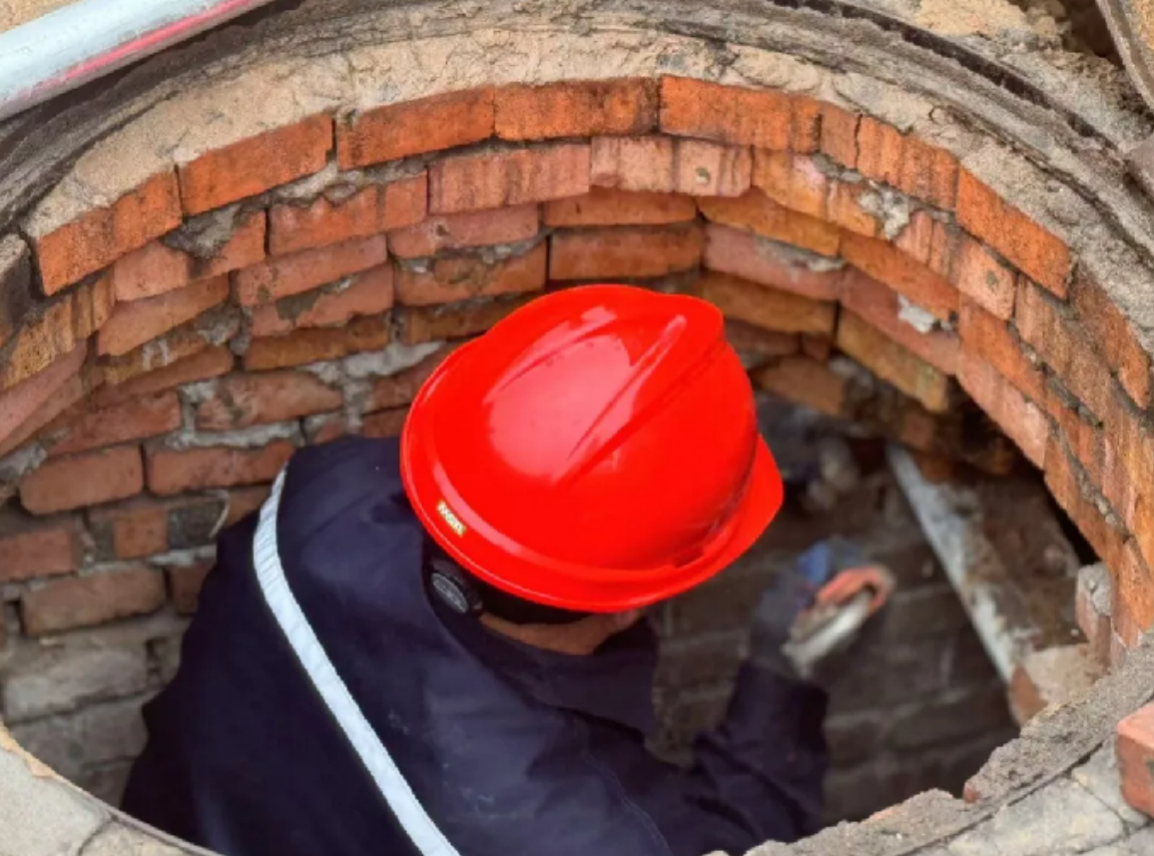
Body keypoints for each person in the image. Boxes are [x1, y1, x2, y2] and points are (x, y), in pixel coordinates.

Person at [121, 284, 891, 856]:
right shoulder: (575, 835)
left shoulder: (320, 502)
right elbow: (739, 845)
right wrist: (785, 683)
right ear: (635, 602)